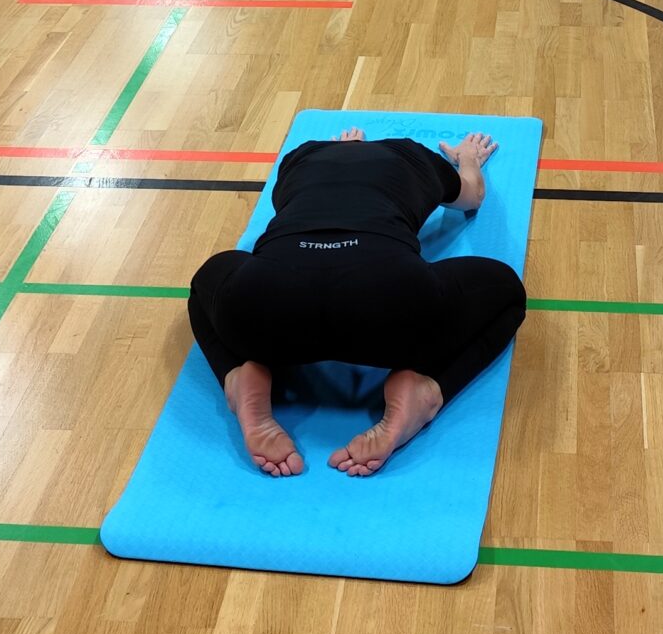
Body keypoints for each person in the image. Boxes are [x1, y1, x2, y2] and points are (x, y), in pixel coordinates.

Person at [187, 127, 522, 478]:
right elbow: (472, 197)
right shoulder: (413, 155)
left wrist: (341, 151)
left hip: (269, 296)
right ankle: (429, 391)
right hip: (388, 298)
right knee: (506, 292)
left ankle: (237, 377)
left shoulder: (298, 159)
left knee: (203, 286)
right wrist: (466, 159)